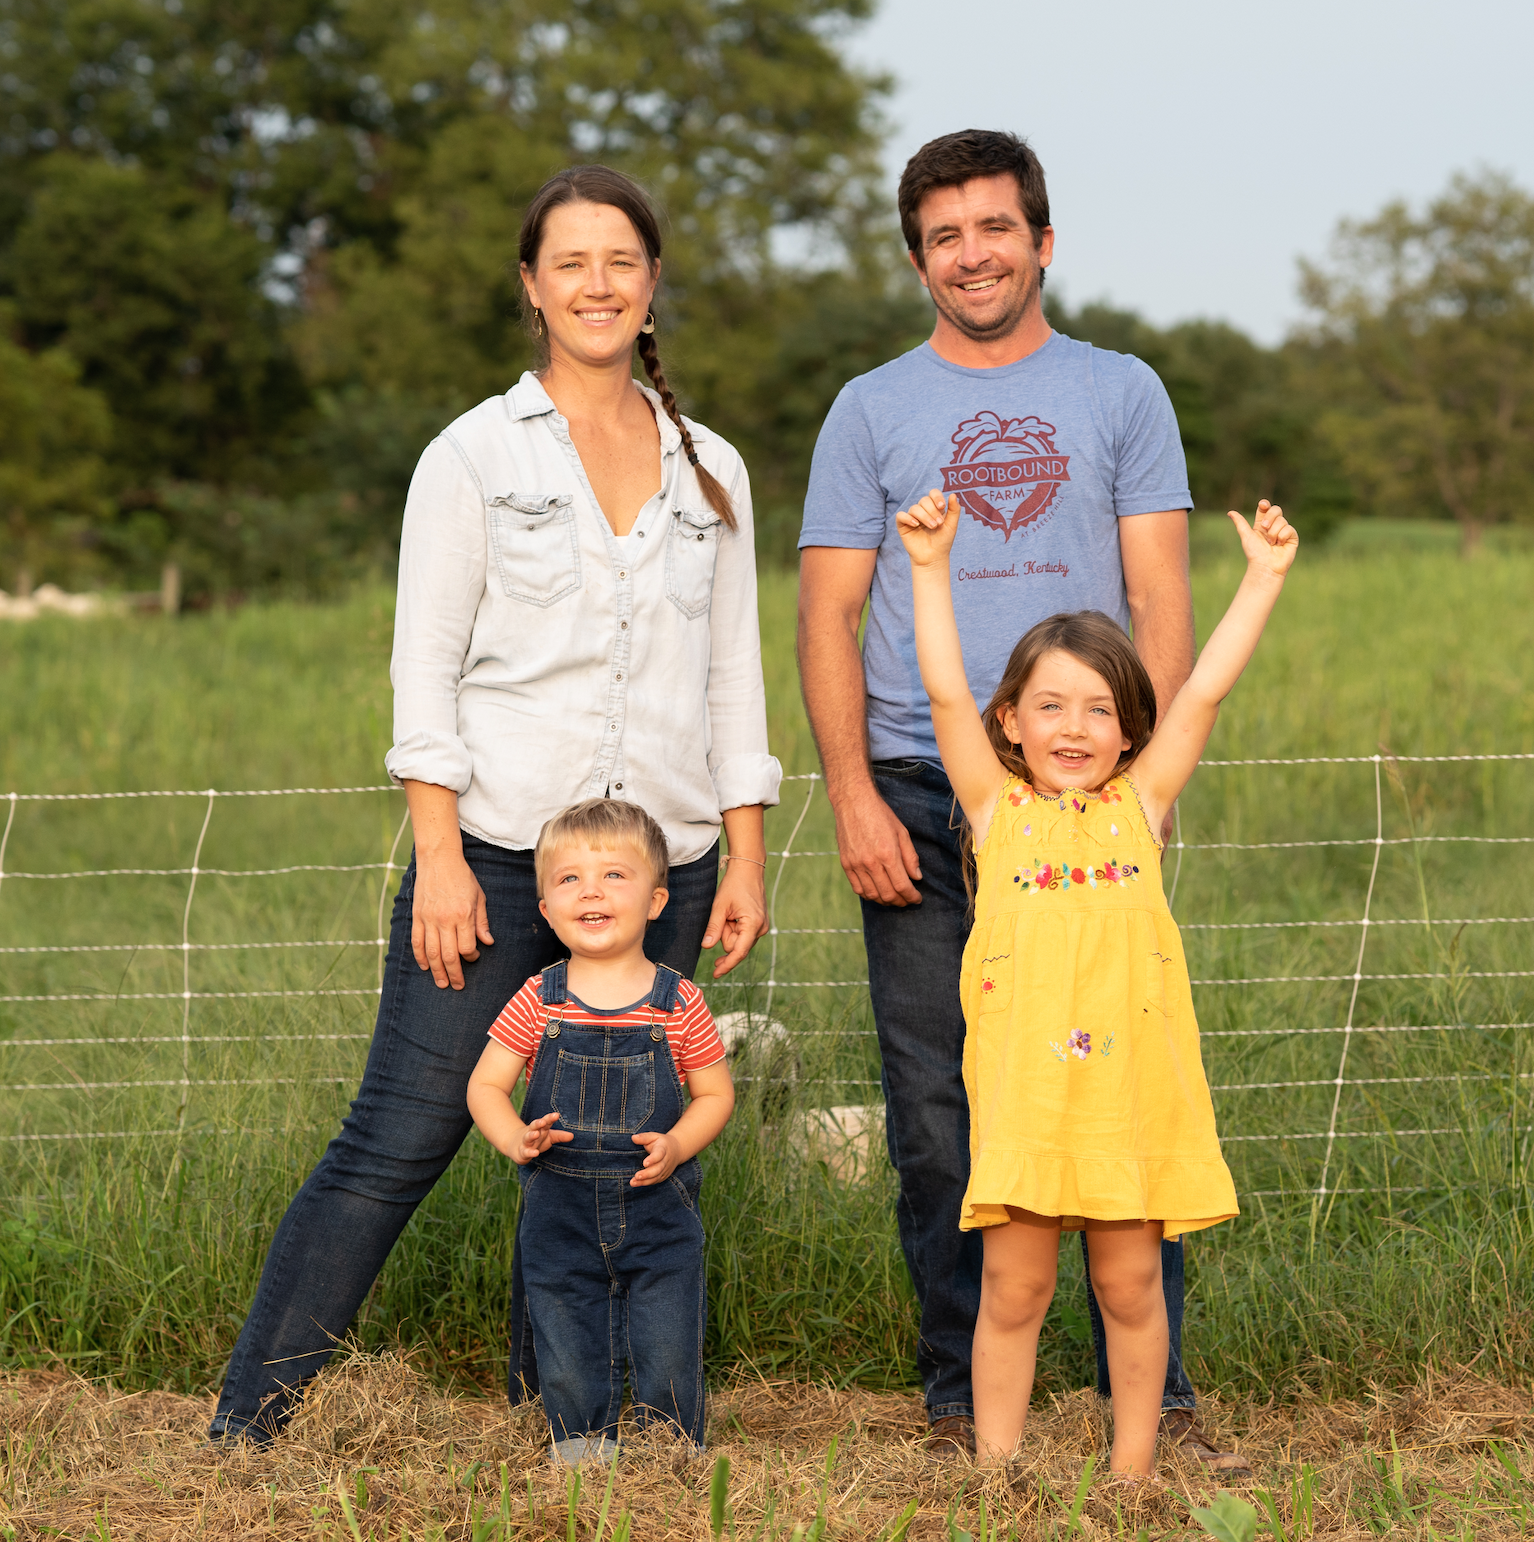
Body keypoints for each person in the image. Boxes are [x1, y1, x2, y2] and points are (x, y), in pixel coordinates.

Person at [207, 165, 781, 1443]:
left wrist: (743, 855)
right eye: (568, 262)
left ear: (650, 289)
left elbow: (733, 669)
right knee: (401, 1134)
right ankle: (248, 1421)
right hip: (497, 853)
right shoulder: (471, 455)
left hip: (669, 861)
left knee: (604, 1149)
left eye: (619, 262)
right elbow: (425, 669)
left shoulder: (712, 468)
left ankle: (560, 1414)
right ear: (531, 287)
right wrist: (440, 856)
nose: (596, 284)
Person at [796, 128, 1245, 1468]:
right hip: (927, 794)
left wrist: (1146, 789)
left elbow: (1161, 598)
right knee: (939, 1110)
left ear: (1042, 242)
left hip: (1092, 810)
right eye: (944, 236)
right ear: (917, 258)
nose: (972, 254)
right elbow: (829, 614)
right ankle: (958, 1396)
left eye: (995, 228)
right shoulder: (869, 410)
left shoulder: (1122, 392)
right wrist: (852, 798)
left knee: (1123, 1093)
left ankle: (1147, 1406)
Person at [894, 490, 1298, 1475]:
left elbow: (1200, 692)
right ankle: (994, 1472)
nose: (1073, 728)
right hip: (1029, 1102)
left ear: (1128, 733)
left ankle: (1130, 1475)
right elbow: (943, 693)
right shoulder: (993, 812)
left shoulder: (1141, 807)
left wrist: (1263, 579)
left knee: (1130, 1290)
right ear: (1011, 723)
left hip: (1126, 1104)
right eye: (1049, 707)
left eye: (1098, 710)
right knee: (1013, 1293)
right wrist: (929, 566)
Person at [468, 799, 734, 1464]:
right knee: (563, 1323)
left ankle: (670, 1445)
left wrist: (678, 1145)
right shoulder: (539, 999)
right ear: (547, 908)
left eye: (615, 875)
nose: (591, 890)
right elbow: (485, 1086)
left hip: (657, 1207)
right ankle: (582, 1444)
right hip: (558, 1209)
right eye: (569, 880)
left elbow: (714, 1094)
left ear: (656, 900)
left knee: (668, 1327)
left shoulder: (679, 1003)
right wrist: (514, 1137)